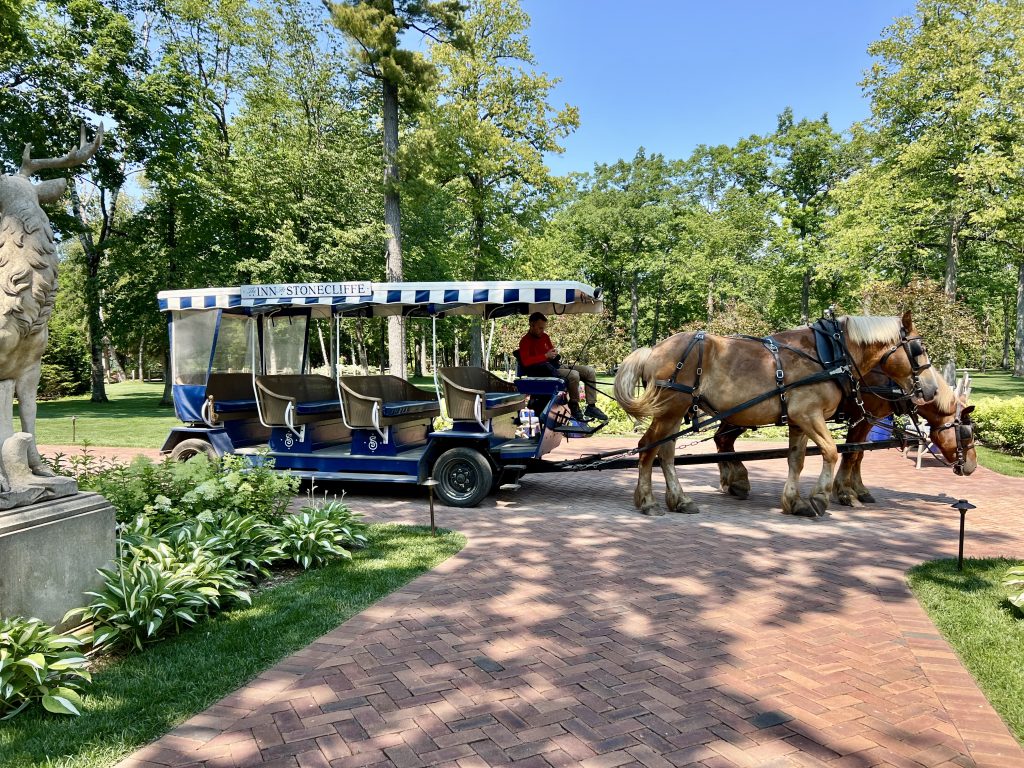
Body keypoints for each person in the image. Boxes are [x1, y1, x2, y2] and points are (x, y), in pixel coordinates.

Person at [518, 312, 608, 422]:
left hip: (556, 365)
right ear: (531, 325)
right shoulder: (525, 341)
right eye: (540, 328)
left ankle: (591, 407)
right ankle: (574, 405)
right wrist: (545, 356)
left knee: (589, 371)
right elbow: (526, 362)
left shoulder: (545, 337)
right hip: (545, 371)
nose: (542, 331)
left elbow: (550, 351)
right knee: (574, 375)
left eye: (544, 328)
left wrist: (553, 353)